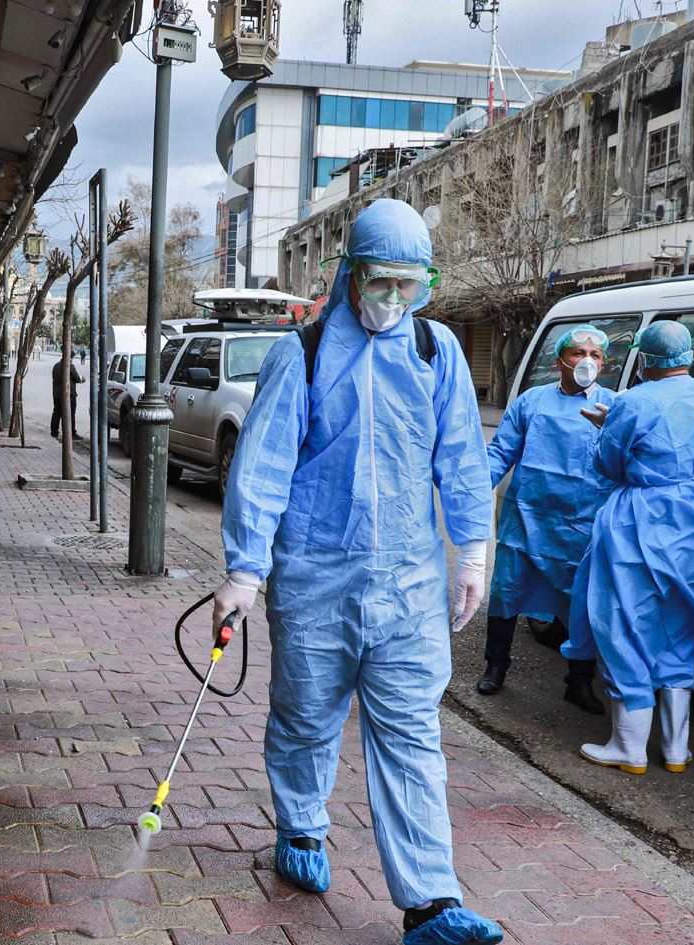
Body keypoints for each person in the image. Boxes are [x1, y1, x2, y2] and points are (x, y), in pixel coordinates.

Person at [215, 200, 503, 945]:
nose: (394, 299)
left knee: (411, 736)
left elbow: (461, 459)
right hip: (314, 580)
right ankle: (301, 829)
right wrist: (244, 570)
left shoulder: (436, 352)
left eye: (410, 285)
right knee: (306, 718)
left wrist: (472, 552)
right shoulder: (304, 353)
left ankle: (431, 902)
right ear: (349, 273)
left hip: (409, 585)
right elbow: (263, 466)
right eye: (381, 283)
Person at [564, 320, 694, 775]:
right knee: (682, 624)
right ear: (688, 355)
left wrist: (607, 427)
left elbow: (609, 465)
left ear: (646, 357)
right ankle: (676, 749)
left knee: (624, 622)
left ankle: (629, 747)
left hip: (639, 521)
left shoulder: (633, 401)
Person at [478, 325, 616, 715]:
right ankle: (495, 665)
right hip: (528, 519)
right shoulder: (531, 402)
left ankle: (579, 681)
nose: (587, 361)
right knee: (507, 591)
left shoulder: (614, 407)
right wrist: (471, 489)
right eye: (577, 353)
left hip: (581, 526)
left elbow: (626, 461)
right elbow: (501, 452)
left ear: (605, 365)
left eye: (595, 355)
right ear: (559, 361)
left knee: (582, 604)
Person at [50, 356, 83, 440]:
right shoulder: (70, 366)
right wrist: (81, 380)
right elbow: (77, 378)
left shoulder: (56, 366)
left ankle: (54, 431)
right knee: (71, 413)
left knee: (57, 412)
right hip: (69, 394)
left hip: (56, 394)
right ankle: (72, 433)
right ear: (70, 357)